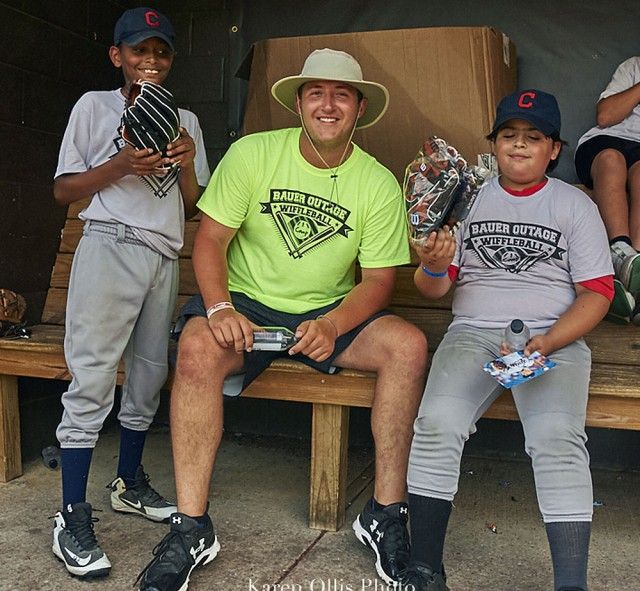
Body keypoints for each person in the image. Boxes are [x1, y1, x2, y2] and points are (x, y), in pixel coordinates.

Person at [135, 48, 427, 590]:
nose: (328, 104)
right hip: (245, 301)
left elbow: (379, 281)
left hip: (325, 313)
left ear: (360, 108)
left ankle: (386, 513)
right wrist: (219, 306)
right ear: (298, 103)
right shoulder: (253, 154)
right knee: (197, 348)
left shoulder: (378, 182)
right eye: (315, 92)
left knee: (407, 345)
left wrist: (335, 325)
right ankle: (191, 525)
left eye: (341, 94)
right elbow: (212, 239)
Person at [401, 90, 613, 591]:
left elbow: (598, 294)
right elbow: (434, 288)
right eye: (508, 135)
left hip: (551, 339)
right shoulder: (467, 197)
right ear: (493, 143)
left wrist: (549, 339)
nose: (519, 146)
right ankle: (425, 568)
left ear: (554, 149)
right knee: (437, 423)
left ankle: (570, 583)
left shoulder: (573, 204)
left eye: (533, 137)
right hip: (474, 333)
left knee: (556, 440)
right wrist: (431, 263)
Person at [51, 7, 210, 579]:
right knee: (92, 376)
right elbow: (63, 190)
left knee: (147, 375)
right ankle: (71, 511)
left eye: (160, 51)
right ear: (117, 55)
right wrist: (120, 163)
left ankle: (129, 481)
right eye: (139, 50)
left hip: (163, 254)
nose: (150, 60)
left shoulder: (184, 117)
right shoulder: (95, 106)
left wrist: (188, 163)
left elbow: (193, 205)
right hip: (110, 244)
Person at [575, 56, 640, 323]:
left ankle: (635, 269)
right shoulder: (634, 66)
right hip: (607, 141)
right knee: (612, 159)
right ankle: (620, 250)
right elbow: (605, 116)